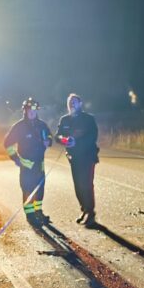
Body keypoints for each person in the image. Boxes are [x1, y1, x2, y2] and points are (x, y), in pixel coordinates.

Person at [4, 98, 53, 224]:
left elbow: (49, 136)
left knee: (40, 190)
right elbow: (7, 143)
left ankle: (38, 212)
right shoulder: (19, 127)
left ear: (37, 110)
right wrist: (15, 158)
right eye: (29, 109)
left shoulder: (42, 125)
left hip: (40, 165)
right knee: (27, 190)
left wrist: (48, 141)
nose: (32, 112)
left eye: (34, 109)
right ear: (25, 110)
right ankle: (30, 216)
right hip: (27, 166)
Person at [56, 93, 99, 226]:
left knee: (86, 184)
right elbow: (57, 136)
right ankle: (84, 209)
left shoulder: (88, 119)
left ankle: (90, 212)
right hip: (73, 158)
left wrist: (76, 142)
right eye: (70, 102)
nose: (72, 104)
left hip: (87, 157)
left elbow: (92, 137)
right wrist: (65, 140)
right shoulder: (65, 120)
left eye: (75, 102)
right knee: (78, 186)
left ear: (80, 104)